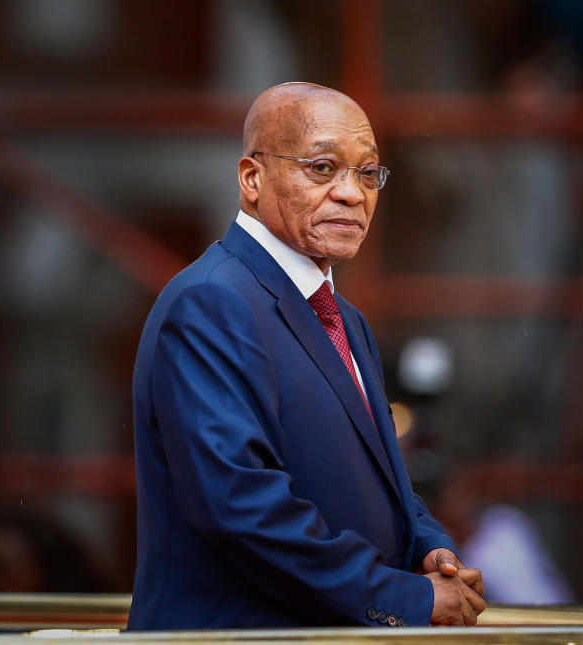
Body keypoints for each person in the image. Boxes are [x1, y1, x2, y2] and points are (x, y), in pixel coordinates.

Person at [127, 82, 485, 629]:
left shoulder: (344, 317)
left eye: (368, 173)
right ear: (252, 178)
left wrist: (429, 549)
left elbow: (379, 477)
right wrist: (407, 598)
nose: (351, 193)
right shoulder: (211, 302)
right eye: (322, 168)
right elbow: (240, 507)